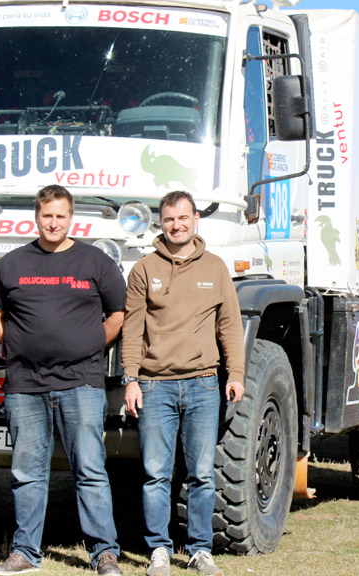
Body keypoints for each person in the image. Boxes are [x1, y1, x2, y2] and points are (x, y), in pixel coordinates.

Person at [0, 185, 126, 576]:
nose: (53, 223)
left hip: (81, 382)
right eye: (47, 216)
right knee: (28, 472)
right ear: (37, 217)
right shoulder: (12, 264)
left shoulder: (95, 262)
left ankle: (104, 554)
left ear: (70, 218)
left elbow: (118, 313)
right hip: (25, 385)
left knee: (90, 471)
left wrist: (95, 343)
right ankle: (25, 553)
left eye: (61, 216)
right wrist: (9, 340)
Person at [122, 191, 245, 576]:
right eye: (169, 219)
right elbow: (131, 329)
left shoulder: (216, 268)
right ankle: (159, 549)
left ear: (195, 221)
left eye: (183, 218)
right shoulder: (143, 269)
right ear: (161, 222)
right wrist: (131, 379)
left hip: (204, 385)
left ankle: (199, 550)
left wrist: (236, 373)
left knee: (202, 474)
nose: (177, 225)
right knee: (156, 473)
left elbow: (230, 326)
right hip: (155, 386)